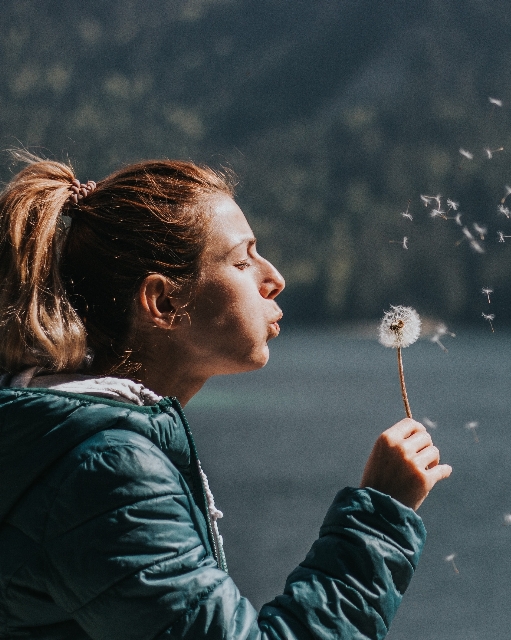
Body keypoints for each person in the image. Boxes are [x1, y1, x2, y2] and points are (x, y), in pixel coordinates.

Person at [0, 153, 452, 639]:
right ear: (164, 302)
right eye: (243, 260)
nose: (274, 278)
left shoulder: (64, 438)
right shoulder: (108, 476)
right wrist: (380, 517)